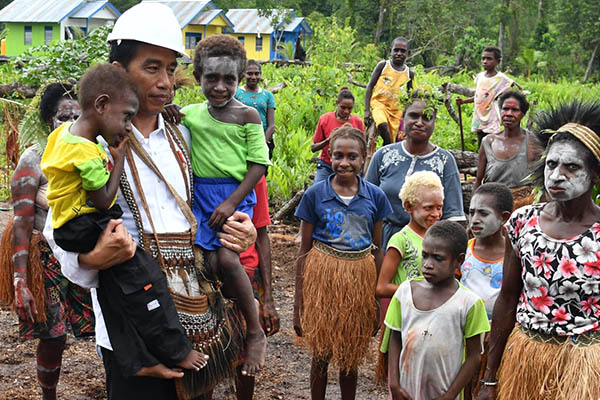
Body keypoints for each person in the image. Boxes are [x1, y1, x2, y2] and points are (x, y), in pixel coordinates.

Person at [44, 3, 256, 399]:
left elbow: (215, 199)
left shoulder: (185, 136)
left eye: (171, 69)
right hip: (131, 322)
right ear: (120, 71)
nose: (166, 82)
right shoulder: (87, 145)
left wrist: (236, 229)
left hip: (195, 310)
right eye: (152, 68)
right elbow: (57, 229)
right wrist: (92, 259)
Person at [41, 64, 208, 378]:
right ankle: (177, 349)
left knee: (114, 297)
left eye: (170, 70)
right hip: (83, 226)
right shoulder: (90, 152)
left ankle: (138, 360)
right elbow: (103, 200)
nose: (128, 126)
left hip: (73, 224)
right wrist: (117, 160)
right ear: (102, 105)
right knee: (148, 280)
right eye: (126, 117)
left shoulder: (63, 136)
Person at [477, 100, 600, 400]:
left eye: (572, 167)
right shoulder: (523, 222)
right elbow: (507, 297)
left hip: (585, 365)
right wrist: (490, 376)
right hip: (527, 355)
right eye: (551, 164)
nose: (558, 175)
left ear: (595, 174)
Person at [180, 34, 268, 378]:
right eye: (211, 78)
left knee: (231, 258)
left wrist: (232, 203)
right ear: (199, 76)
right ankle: (217, 338)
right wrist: (172, 112)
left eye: (229, 79)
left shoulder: (247, 115)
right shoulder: (190, 114)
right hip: (201, 199)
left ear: (240, 77)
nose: (220, 86)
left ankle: (255, 329)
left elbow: (259, 165)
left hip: (235, 195)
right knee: (210, 263)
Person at [0, 82, 92, 400]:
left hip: (87, 253)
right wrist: (20, 279)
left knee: (110, 326)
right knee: (53, 335)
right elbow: (23, 223)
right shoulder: (34, 159)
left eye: (76, 117)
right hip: (46, 257)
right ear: (48, 119)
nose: (69, 124)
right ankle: (48, 395)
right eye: (61, 117)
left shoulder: (93, 151)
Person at [294, 125, 393, 400]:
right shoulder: (315, 194)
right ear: (329, 156)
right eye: (338, 156)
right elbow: (304, 249)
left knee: (349, 356)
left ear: (364, 157)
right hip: (323, 277)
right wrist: (298, 305)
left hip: (359, 278)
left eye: (352, 157)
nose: (344, 163)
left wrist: (375, 302)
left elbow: (377, 250)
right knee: (321, 354)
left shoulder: (375, 196)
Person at [386, 220, 490, 400]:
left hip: (443, 392)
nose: (427, 264)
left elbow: (474, 356)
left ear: (459, 260)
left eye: (438, 258)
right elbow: (395, 337)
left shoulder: (469, 303)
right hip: (406, 391)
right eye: (424, 255)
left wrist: (449, 395)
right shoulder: (405, 292)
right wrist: (394, 384)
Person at [365, 88, 466, 251]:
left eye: (427, 118)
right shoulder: (383, 155)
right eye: (413, 116)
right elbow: (365, 203)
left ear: (434, 123)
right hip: (382, 242)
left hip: (426, 247)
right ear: (403, 118)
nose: (419, 122)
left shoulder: (444, 161)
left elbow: (454, 216)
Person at [235, 59, 281, 400]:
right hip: (209, 268)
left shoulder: (256, 180)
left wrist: (268, 298)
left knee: (243, 359)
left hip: (247, 269)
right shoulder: (198, 169)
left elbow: (262, 236)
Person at [374, 170, 444, 384]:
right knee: (405, 375)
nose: (435, 213)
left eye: (439, 207)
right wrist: (416, 289)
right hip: (406, 319)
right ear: (409, 207)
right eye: (428, 208)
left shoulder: (440, 238)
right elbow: (382, 287)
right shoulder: (401, 240)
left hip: (434, 318)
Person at [461, 183, 513, 321]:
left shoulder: (513, 255)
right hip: (465, 328)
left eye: (483, 213)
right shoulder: (463, 251)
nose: (475, 220)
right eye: (472, 213)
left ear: (504, 217)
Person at [457, 46, 519, 148]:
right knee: (481, 143)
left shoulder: (501, 78)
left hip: (491, 116)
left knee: (491, 143)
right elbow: (479, 96)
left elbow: (513, 87)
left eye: (489, 59)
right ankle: (481, 162)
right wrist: (464, 101)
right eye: (483, 58)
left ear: (498, 61)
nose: (485, 61)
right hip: (479, 115)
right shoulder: (480, 76)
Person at [364, 36, 415, 145]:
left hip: (396, 111)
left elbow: (410, 96)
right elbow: (370, 86)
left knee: (395, 136)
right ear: (390, 51)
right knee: (382, 124)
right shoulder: (383, 66)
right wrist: (367, 110)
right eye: (396, 50)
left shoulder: (409, 73)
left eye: (403, 51)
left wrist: (406, 114)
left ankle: (386, 149)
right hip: (379, 104)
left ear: (408, 54)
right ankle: (388, 145)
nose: (399, 53)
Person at [312, 87, 365, 183]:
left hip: (350, 167)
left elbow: (363, 148)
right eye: (343, 107)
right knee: (317, 191)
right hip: (327, 165)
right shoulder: (325, 119)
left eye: (350, 108)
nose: (346, 111)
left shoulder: (357, 122)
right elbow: (313, 147)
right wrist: (328, 140)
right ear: (337, 103)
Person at [235, 60, 276, 159]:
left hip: (263, 140)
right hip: (241, 140)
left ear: (260, 75)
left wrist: (263, 143)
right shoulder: (236, 92)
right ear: (244, 74)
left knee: (261, 171)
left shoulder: (268, 95)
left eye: (256, 74)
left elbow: (272, 125)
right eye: (249, 74)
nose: (253, 77)